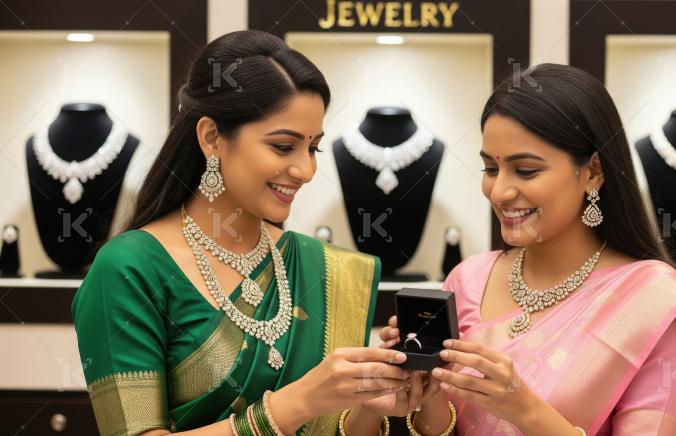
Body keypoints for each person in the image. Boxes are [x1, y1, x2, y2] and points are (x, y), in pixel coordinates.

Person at [72, 30, 427, 436]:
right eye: (282, 146)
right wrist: (296, 403)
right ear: (212, 138)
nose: (306, 171)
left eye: (313, 148)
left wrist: (367, 406)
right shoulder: (128, 269)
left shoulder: (326, 269)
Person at [380, 63, 676, 435]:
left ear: (592, 172)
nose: (500, 191)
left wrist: (524, 410)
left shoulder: (655, 307)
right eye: (491, 169)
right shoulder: (467, 281)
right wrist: (429, 393)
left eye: (525, 170)